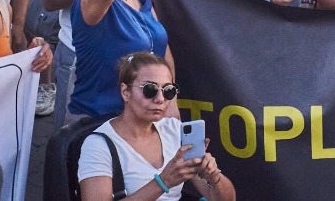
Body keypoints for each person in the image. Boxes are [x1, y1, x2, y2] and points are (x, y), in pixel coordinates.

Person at [77, 52, 235, 201]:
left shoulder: (172, 129)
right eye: (150, 89)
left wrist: (213, 177)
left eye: (168, 91)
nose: (160, 99)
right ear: (126, 92)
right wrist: (163, 182)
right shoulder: (98, 145)